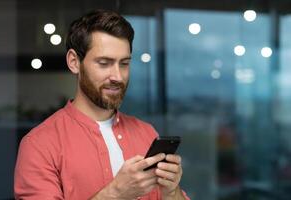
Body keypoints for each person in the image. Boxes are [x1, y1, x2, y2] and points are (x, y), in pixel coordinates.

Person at [14, 9, 190, 200]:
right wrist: (115, 194)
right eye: (104, 63)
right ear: (74, 62)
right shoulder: (39, 145)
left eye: (124, 63)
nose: (117, 76)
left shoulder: (147, 133)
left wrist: (171, 193)